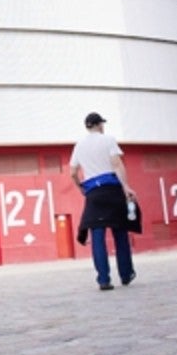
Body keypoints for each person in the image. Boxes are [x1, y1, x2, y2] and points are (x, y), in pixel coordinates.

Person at [70, 112, 136, 290]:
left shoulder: (79, 146)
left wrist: (81, 187)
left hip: (93, 193)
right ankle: (126, 274)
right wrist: (126, 186)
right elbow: (117, 164)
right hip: (112, 189)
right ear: (99, 125)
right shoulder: (108, 140)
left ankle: (103, 279)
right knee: (120, 233)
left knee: (97, 237)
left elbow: (73, 172)